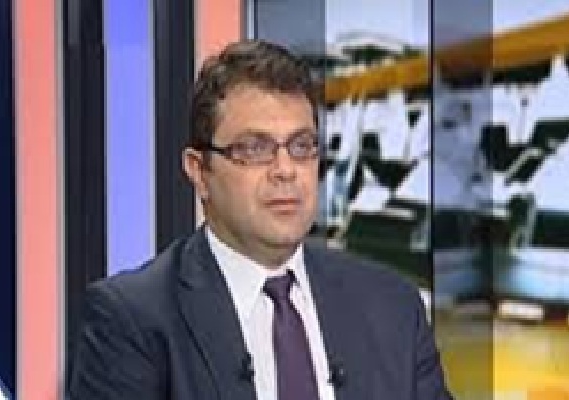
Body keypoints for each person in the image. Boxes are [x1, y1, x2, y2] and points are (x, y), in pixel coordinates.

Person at [66, 40, 452, 400]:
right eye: (254, 148)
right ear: (199, 171)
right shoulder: (131, 321)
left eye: (301, 146)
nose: (286, 170)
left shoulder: (393, 306)